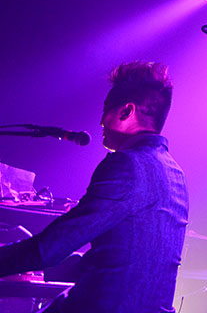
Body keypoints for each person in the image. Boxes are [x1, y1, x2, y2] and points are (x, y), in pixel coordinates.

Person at [0, 61, 189, 312]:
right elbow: (124, 261)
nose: (100, 121)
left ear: (126, 111)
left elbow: (50, 248)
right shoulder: (175, 173)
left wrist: (23, 257)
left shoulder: (127, 164)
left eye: (105, 110)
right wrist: (36, 267)